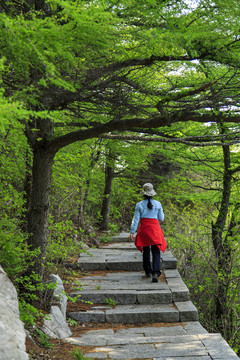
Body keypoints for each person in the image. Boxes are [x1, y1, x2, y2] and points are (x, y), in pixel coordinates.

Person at [130, 183, 167, 283]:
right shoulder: (158, 204)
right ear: (152, 193)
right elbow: (161, 218)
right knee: (156, 251)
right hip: (154, 229)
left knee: (146, 250)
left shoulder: (139, 205)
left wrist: (132, 231)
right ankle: (156, 272)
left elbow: (136, 219)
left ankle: (148, 271)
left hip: (144, 229)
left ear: (143, 193)